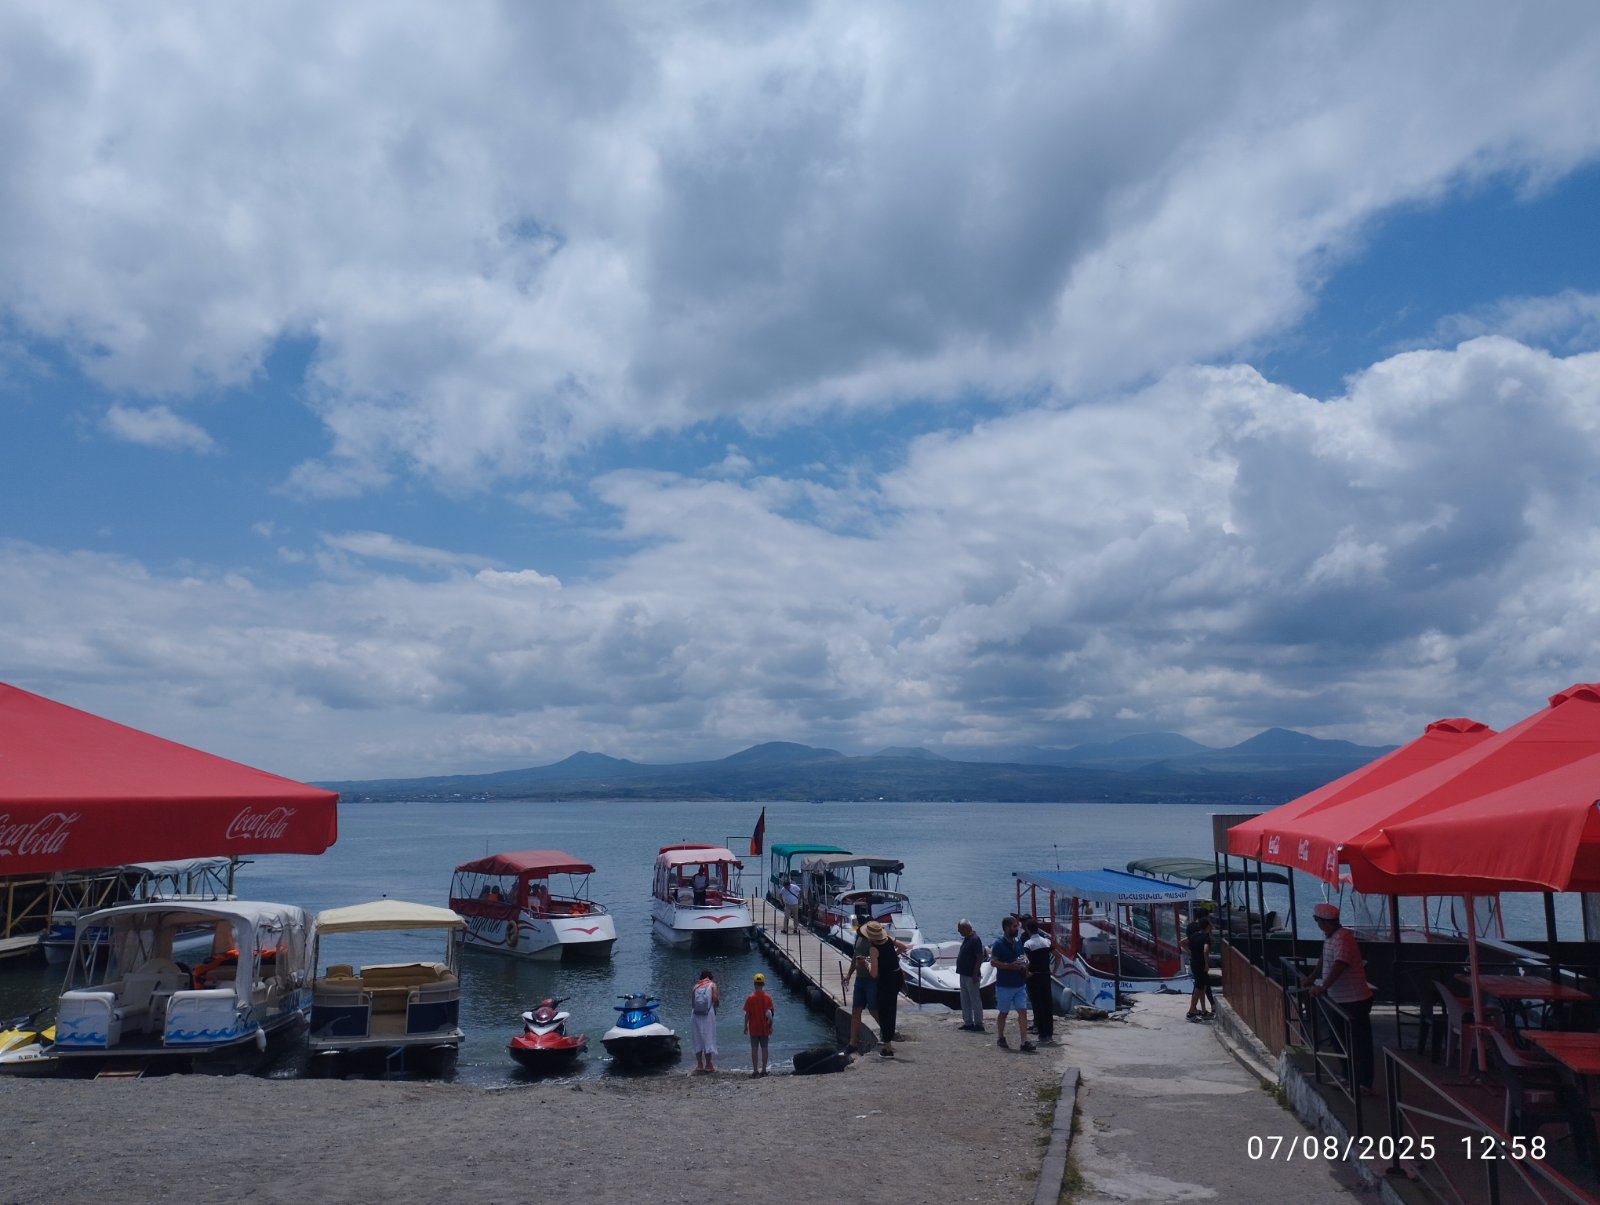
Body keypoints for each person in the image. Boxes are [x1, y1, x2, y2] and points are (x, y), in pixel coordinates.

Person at [1301, 902, 1373, 1094]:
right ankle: (1347, 1075)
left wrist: (1323, 987)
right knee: (1339, 1038)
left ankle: (1364, 1082)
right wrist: (1312, 978)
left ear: (1324, 922)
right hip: (1339, 999)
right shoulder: (1331, 938)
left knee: (1358, 1041)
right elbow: (1324, 959)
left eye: (1316, 920)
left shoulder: (1343, 938)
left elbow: (1340, 964)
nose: (1317, 924)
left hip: (1354, 999)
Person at [990, 914, 1034, 1052]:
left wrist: (1026, 961)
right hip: (1005, 985)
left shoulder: (1018, 942)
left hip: (1019, 984)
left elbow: (1023, 954)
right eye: (1015, 926)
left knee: (1023, 1011)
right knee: (1003, 1012)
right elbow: (993, 962)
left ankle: (1024, 1041)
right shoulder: (998, 944)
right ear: (1007, 927)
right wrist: (1009, 966)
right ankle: (1000, 1037)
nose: (1017, 928)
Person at [866, 920, 903, 1057]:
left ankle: (888, 1048)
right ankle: (888, 1041)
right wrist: (890, 957)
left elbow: (874, 974)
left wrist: (867, 964)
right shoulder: (888, 939)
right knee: (891, 1009)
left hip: (886, 980)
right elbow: (903, 947)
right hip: (898, 976)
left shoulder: (873, 949)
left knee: (884, 1011)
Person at [843, 911, 878, 1053]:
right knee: (855, 1010)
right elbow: (855, 956)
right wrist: (849, 975)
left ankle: (888, 1031)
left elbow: (877, 959)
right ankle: (853, 1043)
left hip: (871, 980)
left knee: (873, 1009)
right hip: (859, 979)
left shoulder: (873, 940)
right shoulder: (858, 937)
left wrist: (866, 961)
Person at [1021, 917, 1055, 1045]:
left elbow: (1026, 961)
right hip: (1046, 975)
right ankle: (1049, 1033)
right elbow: (1057, 956)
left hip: (1034, 976)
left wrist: (1027, 972)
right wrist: (1054, 970)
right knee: (1047, 1004)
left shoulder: (1028, 944)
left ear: (1028, 930)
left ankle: (1042, 1033)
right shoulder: (1047, 942)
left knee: (1037, 1004)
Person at [955, 919, 986, 1032]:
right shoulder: (967, 939)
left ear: (966, 928)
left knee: (975, 999)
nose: (958, 931)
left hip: (971, 975)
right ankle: (968, 1022)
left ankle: (978, 1023)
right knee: (965, 999)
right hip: (963, 973)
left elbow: (979, 957)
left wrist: (975, 973)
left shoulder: (975, 939)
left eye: (960, 929)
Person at [743, 971, 775, 1076]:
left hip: (754, 1028)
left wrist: (745, 1026)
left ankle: (755, 1070)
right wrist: (771, 1026)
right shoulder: (767, 997)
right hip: (764, 1028)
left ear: (754, 984)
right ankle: (764, 1070)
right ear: (763, 984)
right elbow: (770, 1014)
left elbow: (747, 1014)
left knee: (754, 1049)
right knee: (764, 1048)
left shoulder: (750, 998)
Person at [1186, 911, 1215, 1021]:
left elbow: (1182, 942)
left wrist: (1190, 952)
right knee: (1199, 988)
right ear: (1207, 926)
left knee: (1201, 987)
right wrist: (1206, 964)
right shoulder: (1205, 937)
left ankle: (1202, 1011)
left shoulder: (1193, 936)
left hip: (1194, 962)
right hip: (1201, 964)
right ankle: (1191, 1011)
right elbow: (1206, 950)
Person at [691, 968, 720, 1072]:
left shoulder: (695, 987)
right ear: (710, 978)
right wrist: (716, 1005)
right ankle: (708, 1065)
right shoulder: (712, 985)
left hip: (695, 1015)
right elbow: (715, 999)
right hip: (708, 1014)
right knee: (708, 1037)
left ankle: (699, 1064)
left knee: (697, 1038)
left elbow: (693, 1004)